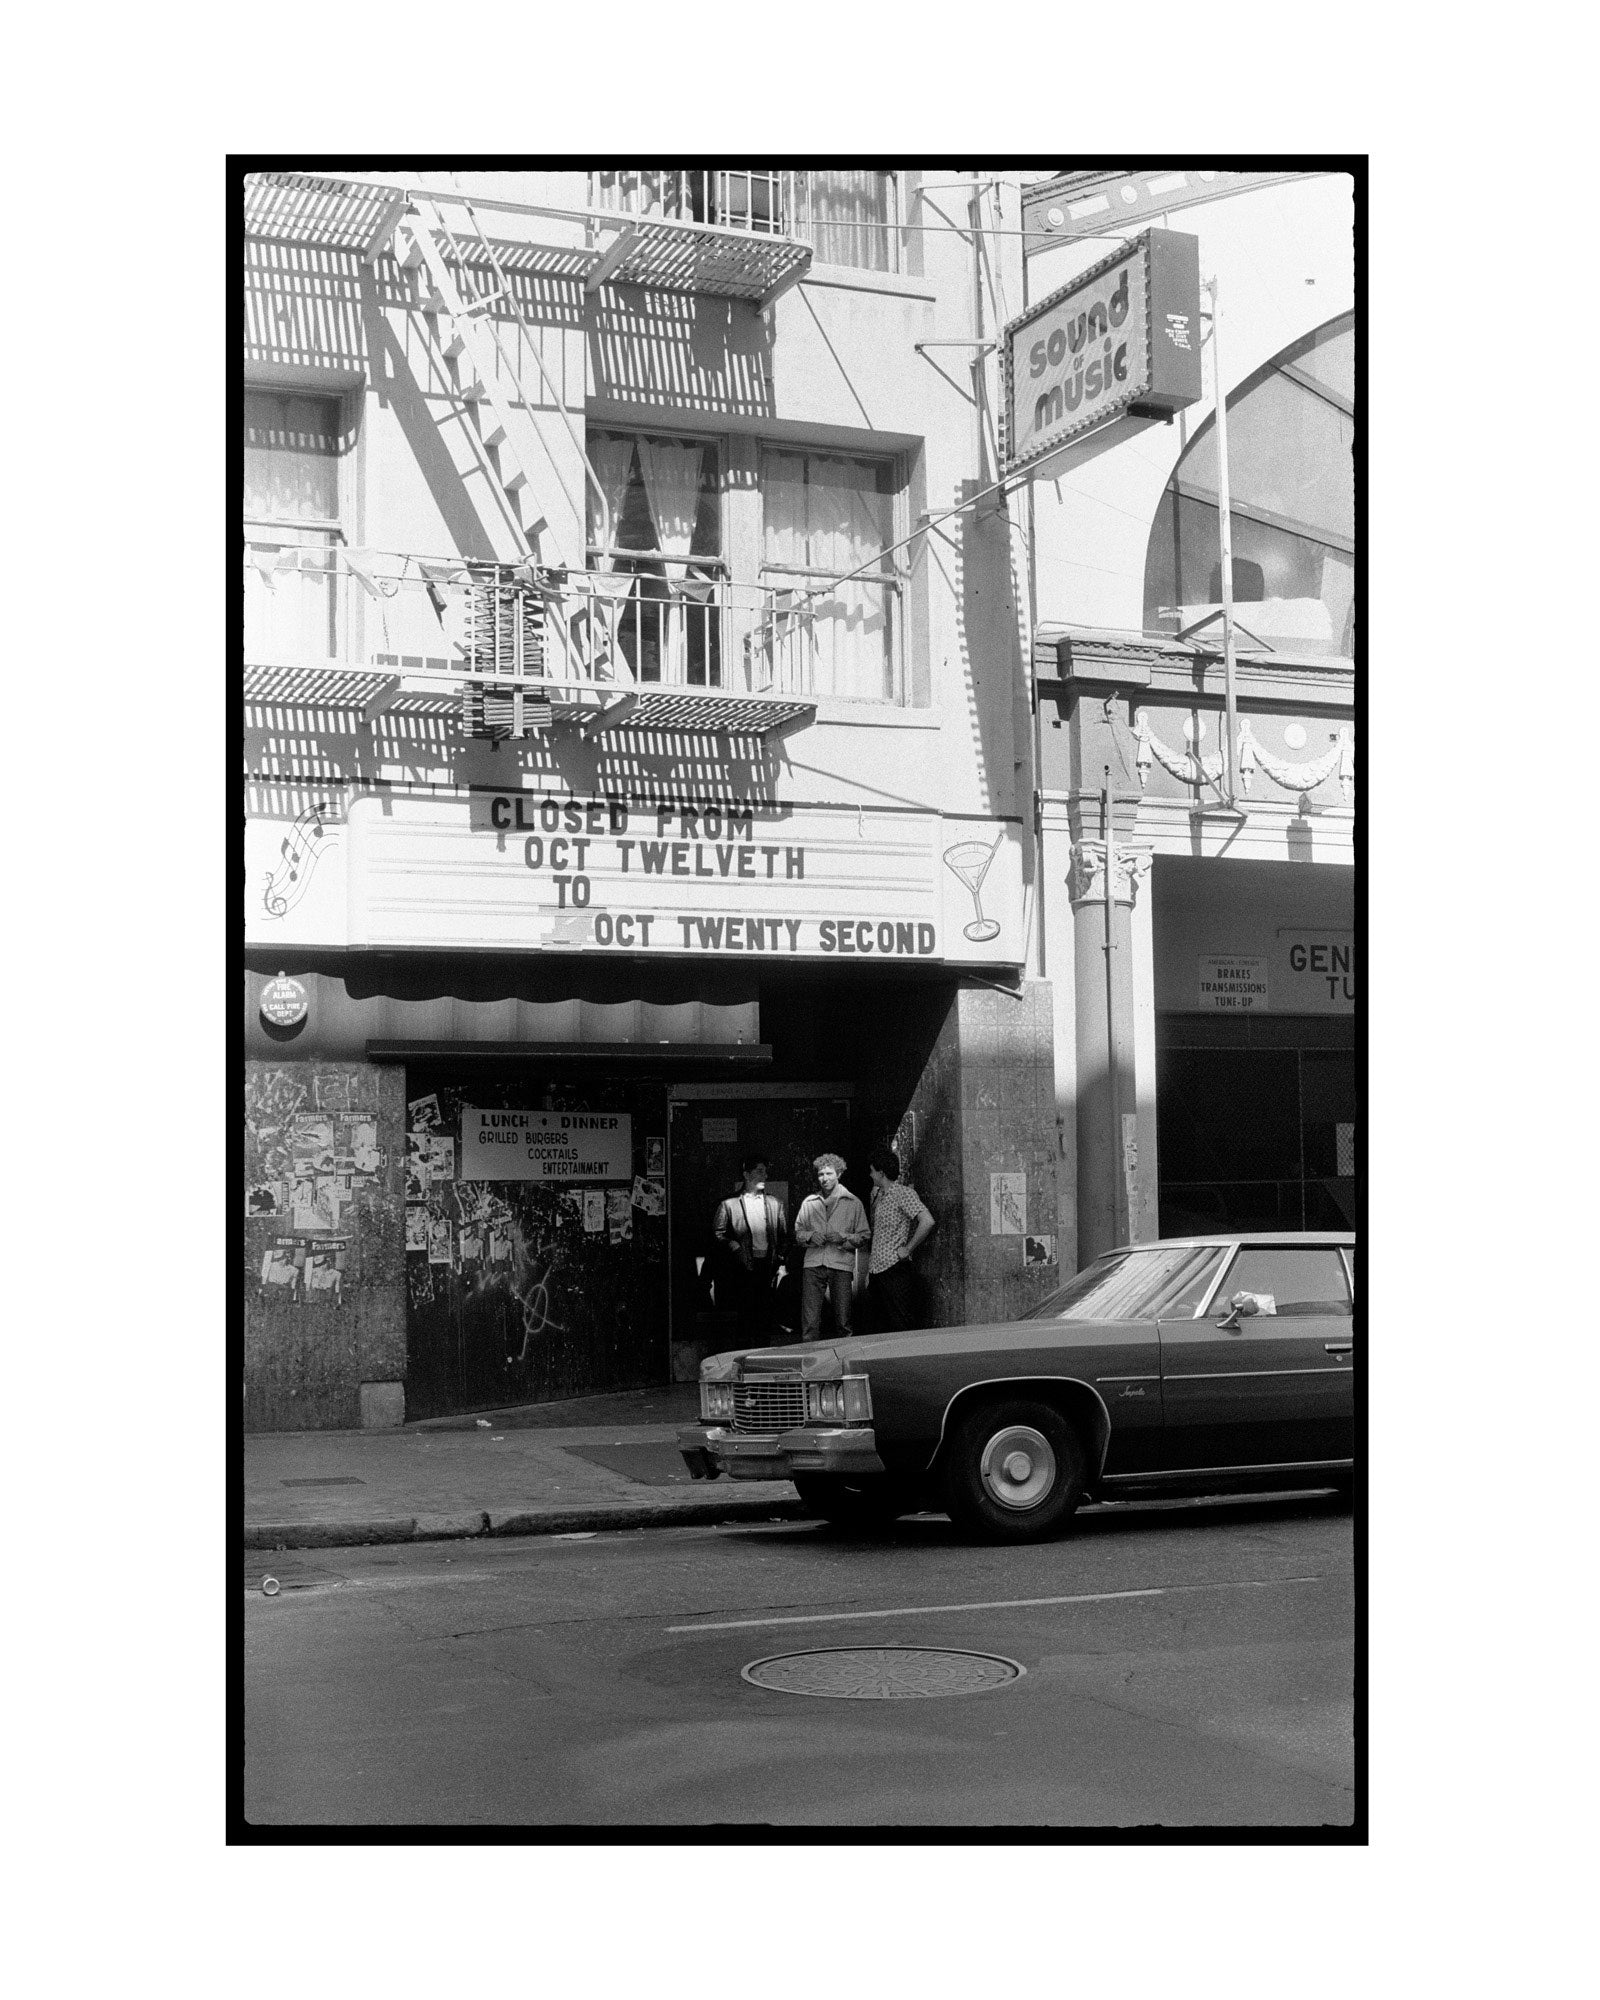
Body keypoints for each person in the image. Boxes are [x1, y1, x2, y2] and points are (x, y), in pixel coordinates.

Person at [793, 1152, 870, 1341]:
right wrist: (811, 1236)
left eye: (829, 1174)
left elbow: (864, 1235)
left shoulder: (853, 1203)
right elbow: (798, 1233)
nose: (824, 1178)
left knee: (843, 1320)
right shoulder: (809, 1203)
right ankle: (810, 1360)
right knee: (809, 1322)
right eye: (821, 1174)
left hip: (840, 1264)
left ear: (839, 1174)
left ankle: (846, 1361)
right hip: (813, 1263)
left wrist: (842, 1238)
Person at [713, 1156, 788, 1345]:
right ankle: (744, 1353)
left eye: (765, 1171)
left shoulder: (774, 1203)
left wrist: (779, 1258)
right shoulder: (729, 1204)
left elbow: (784, 1236)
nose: (765, 1175)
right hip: (742, 1265)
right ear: (747, 1174)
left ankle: (762, 1354)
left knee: (765, 1312)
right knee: (744, 1313)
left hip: (767, 1265)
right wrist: (735, 1247)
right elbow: (718, 1234)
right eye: (759, 1171)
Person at [866, 1145, 935, 1332]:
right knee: (880, 1323)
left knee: (900, 1321)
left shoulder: (903, 1193)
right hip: (877, 1269)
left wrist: (909, 1248)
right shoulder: (878, 1196)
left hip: (894, 1267)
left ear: (881, 1173)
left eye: (872, 1172)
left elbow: (927, 1221)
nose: (870, 1175)